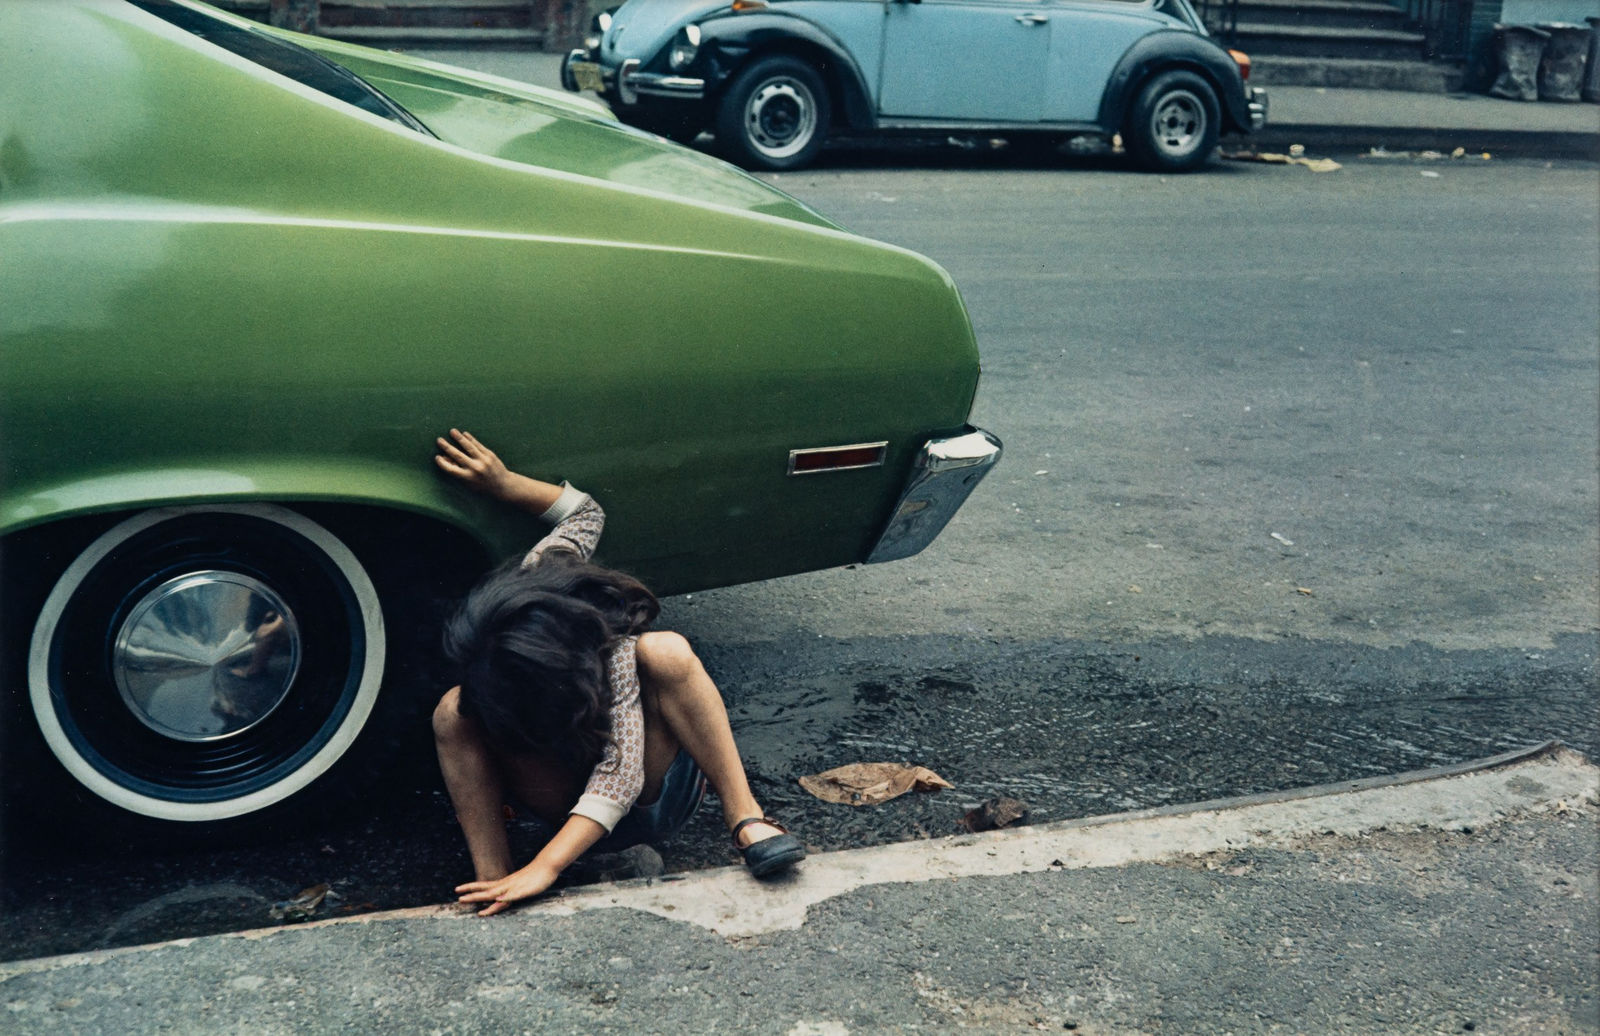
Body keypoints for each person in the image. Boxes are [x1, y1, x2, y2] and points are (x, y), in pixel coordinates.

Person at [430, 428, 806, 916]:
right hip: (556, 796)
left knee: (667, 652)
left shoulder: (616, 656)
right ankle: (494, 877)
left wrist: (546, 867)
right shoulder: (542, 573)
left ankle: (746, 818)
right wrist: (504, 485)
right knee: (452, 710)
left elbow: (619, 779)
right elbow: (584, 512)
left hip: (648, 803)